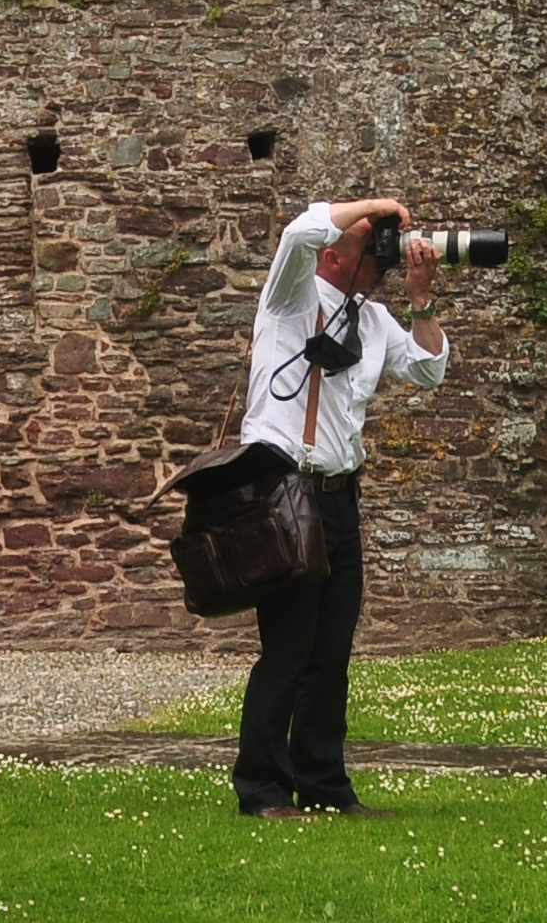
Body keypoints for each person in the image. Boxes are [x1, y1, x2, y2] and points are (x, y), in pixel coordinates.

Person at [230, 194, 445, 818]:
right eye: (366, 240)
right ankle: (262, 788)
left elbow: (429, 371)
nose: (379, 249)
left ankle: (323, 784)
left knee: (331, 654)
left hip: (339, 493)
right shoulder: (291, 298)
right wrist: (380, 206)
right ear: (333, 253)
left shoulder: (373, 321)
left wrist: (421, 299)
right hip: (284, 490)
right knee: (290, 649)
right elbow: (299, 229)